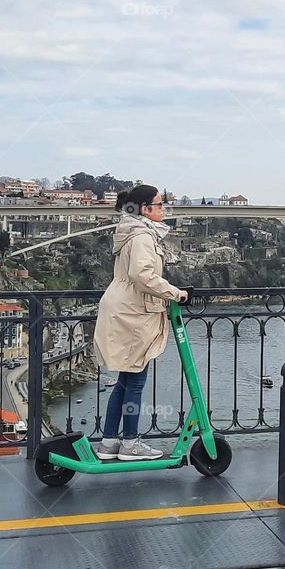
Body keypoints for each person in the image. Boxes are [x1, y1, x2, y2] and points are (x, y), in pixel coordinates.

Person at [92, 184, 187, 460]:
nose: (164, 209)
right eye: (159, 205)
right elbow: (142, 275)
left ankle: (109, 442)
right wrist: (176, 293)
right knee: (135, 382)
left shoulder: (130, 231)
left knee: (124, 380)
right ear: (145, 209)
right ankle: (130, 444)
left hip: (123, 309)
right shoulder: (142, 236)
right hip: (133, 313)